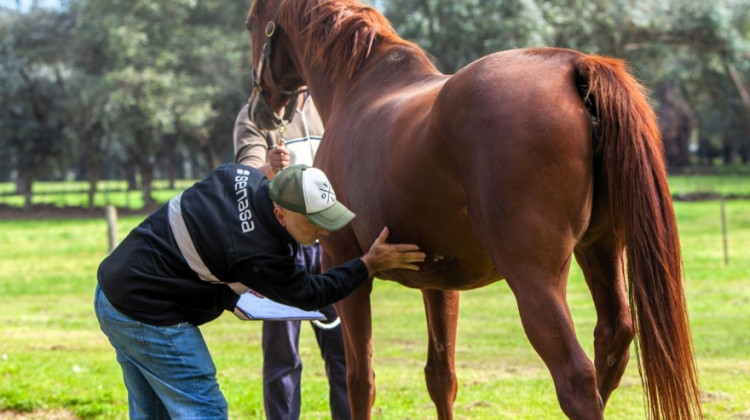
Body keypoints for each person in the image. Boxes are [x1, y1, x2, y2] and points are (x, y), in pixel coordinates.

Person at [95, 163, 426, 419]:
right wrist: (368, 264)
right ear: (280, 214)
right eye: (314, 222)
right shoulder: (260, 253)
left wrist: (227, 292)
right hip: (145, 311)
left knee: (154, 413)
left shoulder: (237, 175)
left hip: (113, 291)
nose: (324, 230)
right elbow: (312, 293)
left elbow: (206, 236)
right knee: (204, 407)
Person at [234, 93, 349, 420]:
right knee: (282, 358)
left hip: (331, 244)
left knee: (344, 353)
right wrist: (267, 168)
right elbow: (244, 176)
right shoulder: (255, 116)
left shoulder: (331, 105)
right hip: (281, 252)